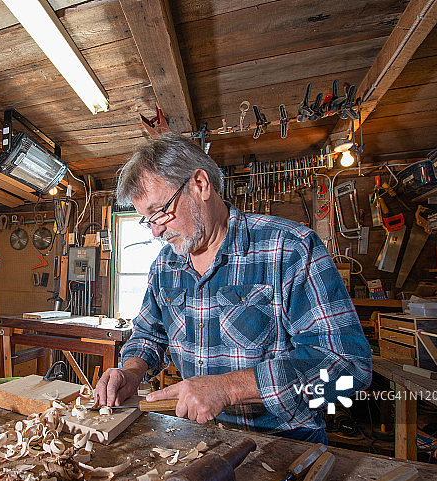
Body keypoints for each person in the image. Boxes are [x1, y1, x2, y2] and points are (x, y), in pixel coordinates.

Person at [94, 133, 371, 443]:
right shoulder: (165, 265)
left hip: (285, 440)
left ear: (200, 184)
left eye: (160, 212)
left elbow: (348, 367)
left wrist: (228, 389)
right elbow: (149, 334)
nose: (156, 231)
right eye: (148, 220)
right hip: (198, 437)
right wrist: (132, 371)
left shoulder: (290, 248)